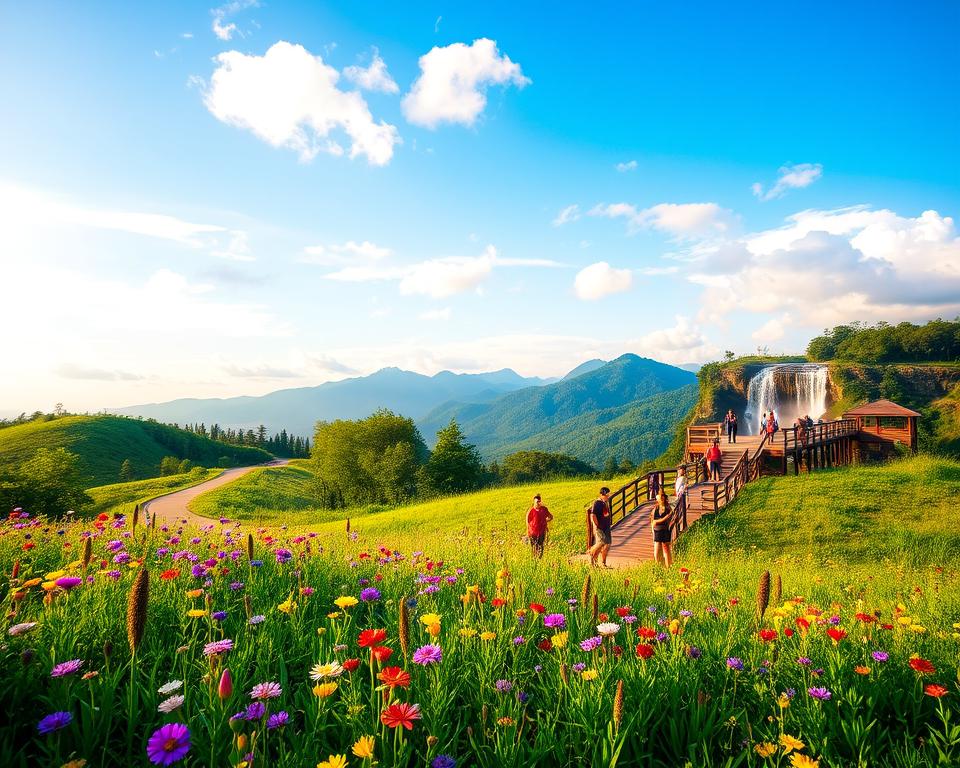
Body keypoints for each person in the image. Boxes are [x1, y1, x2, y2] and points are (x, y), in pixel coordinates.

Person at [587, 487, 612, 568]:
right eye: (607, 495)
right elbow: (593, 515)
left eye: (608, 494)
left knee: (607, 544)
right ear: (602, 494)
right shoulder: (597, 503)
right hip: (600, 527)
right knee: (601, 543)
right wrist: (597, 525)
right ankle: (591, 553)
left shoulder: (605, 502)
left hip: (606, 527)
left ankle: (603, 562)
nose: (608, 496)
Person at [651, 489, 674, 566]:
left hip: (664, 529)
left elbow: (669, 517)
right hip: (657, 531)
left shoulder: (668, 508)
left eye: (663, 496)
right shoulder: (656, 508)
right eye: (660, 497)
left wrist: (657, 521)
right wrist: (653, 530)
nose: (661, 498)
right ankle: (659, 566)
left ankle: (668, 567)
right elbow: (652, 520)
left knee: (666, 549)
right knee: (657, 551)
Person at [526, 494, 553, 559]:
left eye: (539, 502)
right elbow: (527, 522)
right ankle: (534, 560)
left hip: (542, 532)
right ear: (534, 502)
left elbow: (550, 517)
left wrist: (545, 521)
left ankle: (540, 559)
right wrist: (528, 532)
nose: (538, 503)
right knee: (534, 548)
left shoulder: (544, 509)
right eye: (537, 502)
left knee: (541, 547)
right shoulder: (531, 511)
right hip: (533, 533)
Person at [674, 466, 687, 531]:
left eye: (681, 470)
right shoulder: (680, 478)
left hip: (681, 495)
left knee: (680, 510)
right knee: (681, 510)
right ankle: (683, 526)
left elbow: (679, 487)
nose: (679, 471)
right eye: (679, 470)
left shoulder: (682, 478)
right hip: (680, 495)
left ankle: (681, 527)